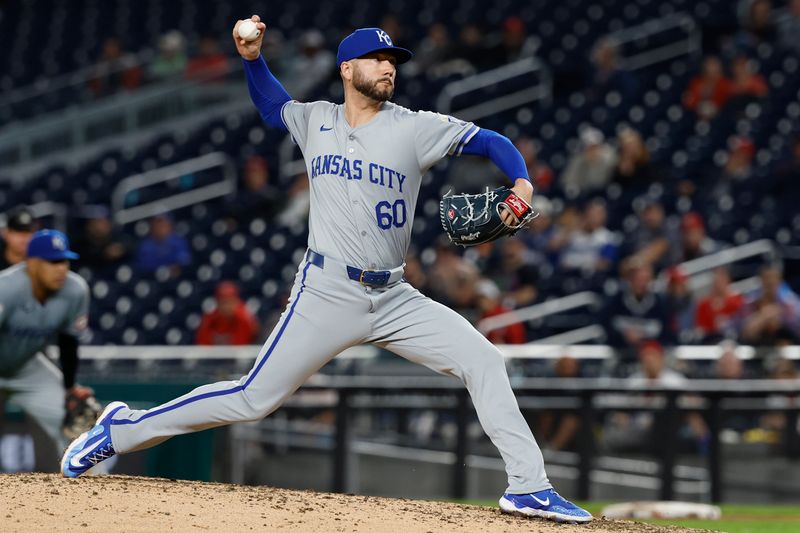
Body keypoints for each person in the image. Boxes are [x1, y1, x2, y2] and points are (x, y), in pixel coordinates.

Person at [62, 16, 592, 523]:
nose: (388, 67)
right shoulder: (315, 118)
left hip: (394, 297)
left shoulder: (414, 128)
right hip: (327, 291)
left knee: (484, 360)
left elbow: (491, 141)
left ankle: (529, 487)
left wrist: (520, 183)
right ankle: (121, 429)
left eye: (393, 60)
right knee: (252, 399)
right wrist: (252, 60)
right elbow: (274, 107)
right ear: (346, 69)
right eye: (376, 58)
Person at [0, 230, 92, 463]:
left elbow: (68, 341)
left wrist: (69, 387)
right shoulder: (6, 287)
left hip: (25, 367)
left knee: (82, 428)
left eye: (64, 260)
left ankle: (94, 495)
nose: (60, 268)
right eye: (52, 262)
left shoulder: (75, 290)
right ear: (31, 263)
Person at [195, 282, 259, 345]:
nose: (226, 307)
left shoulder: (245, 318)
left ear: (236, 301)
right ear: (217, 302)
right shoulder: (210, 319)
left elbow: (242, 345)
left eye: (229, 302)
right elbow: (203, 344)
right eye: (223, 302)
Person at [0, 206, 37, 270]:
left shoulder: (41, 260)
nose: (25, 239)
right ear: (5, 233)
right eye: (19, 233)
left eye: (29, 233)